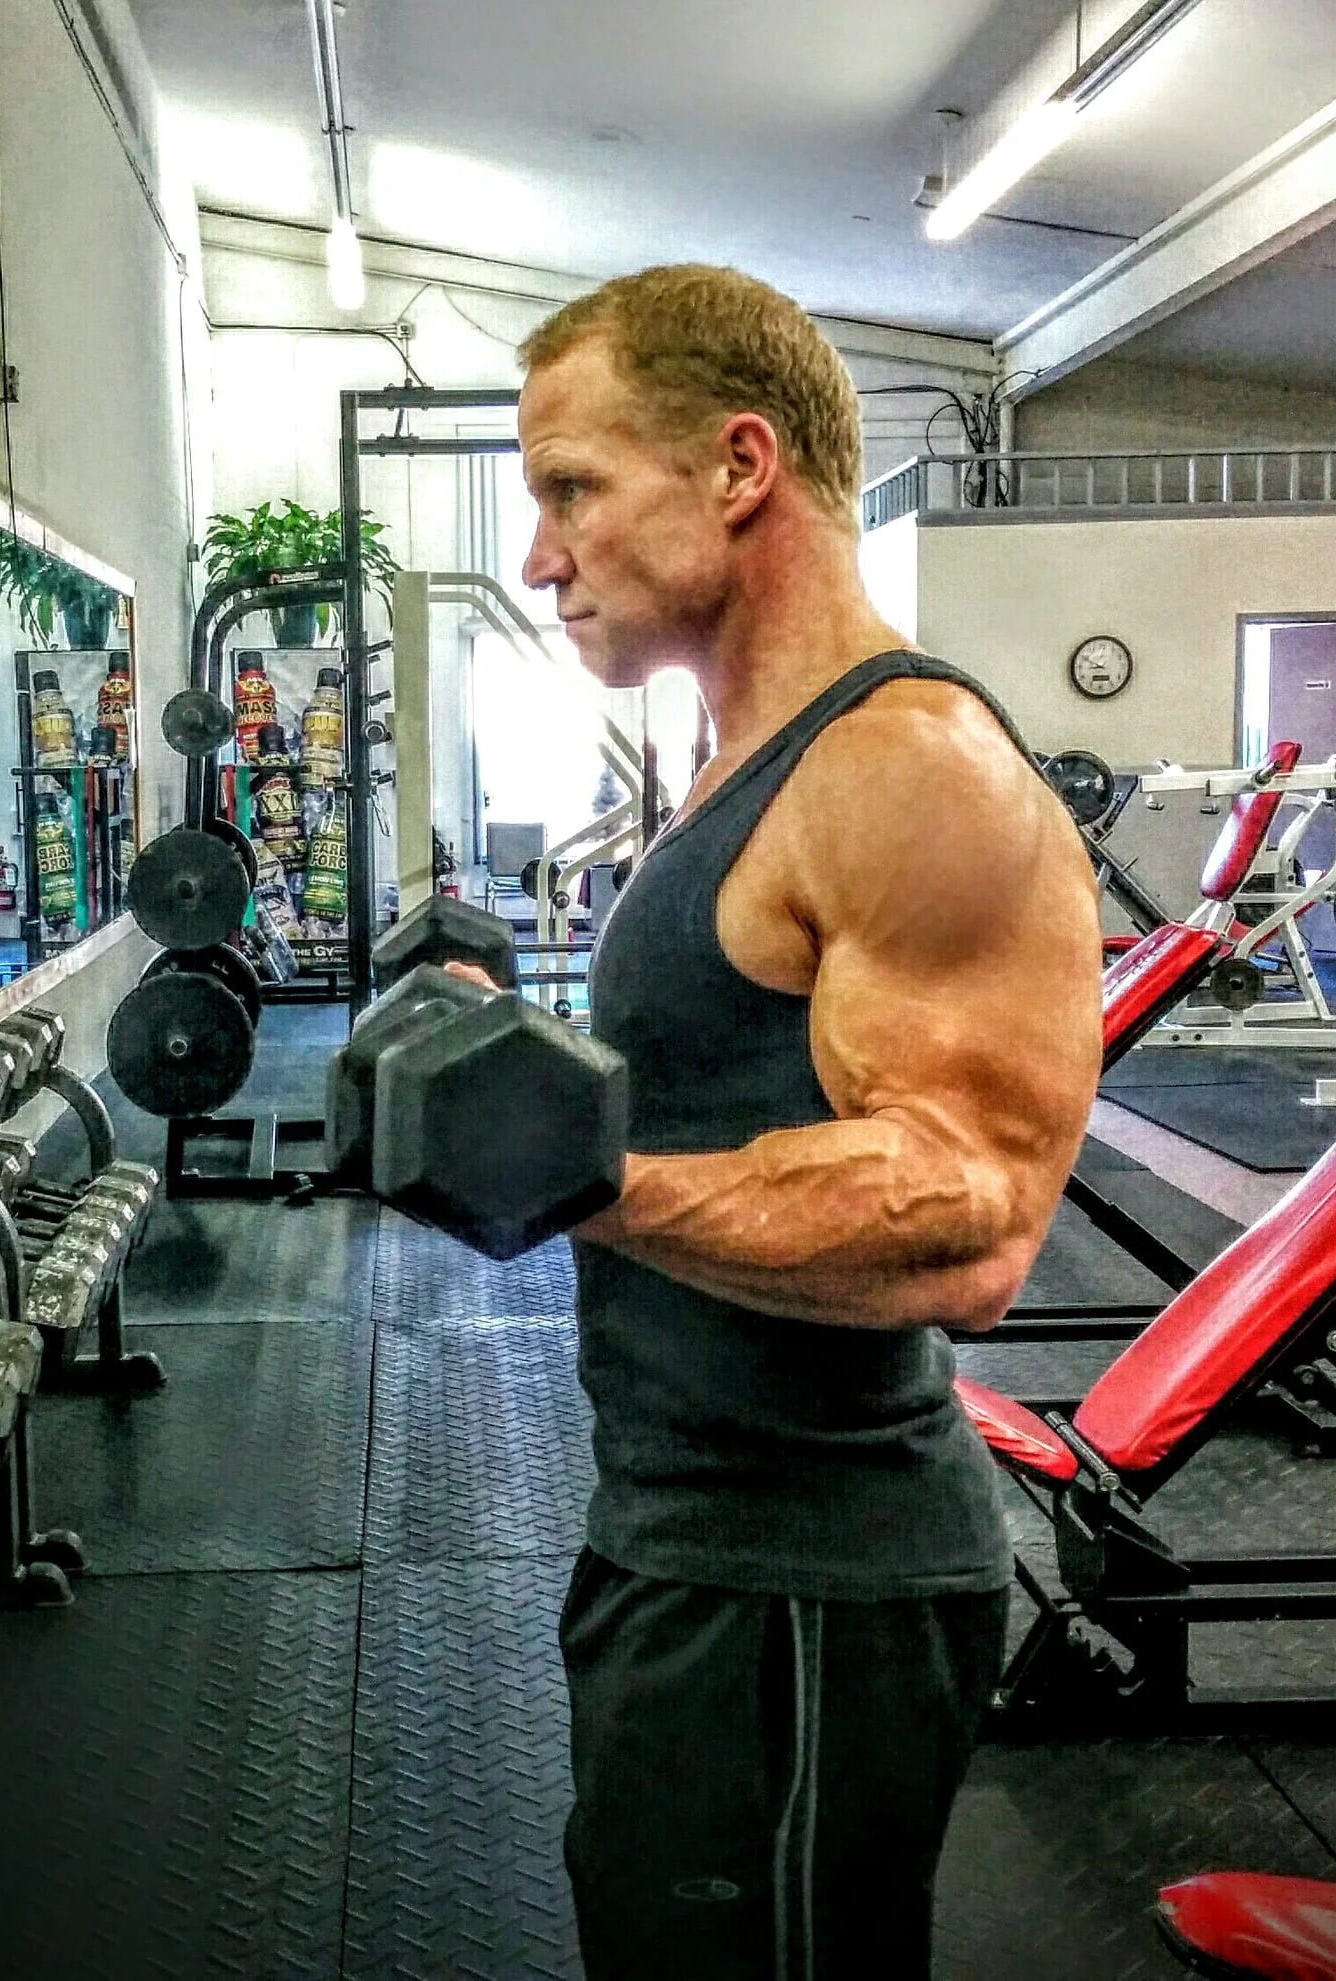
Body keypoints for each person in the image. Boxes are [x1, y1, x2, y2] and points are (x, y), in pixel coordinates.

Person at [502, 265, 1103, 1978]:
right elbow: (741, 1087)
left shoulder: (908, 767)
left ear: (740, 466)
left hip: (803, 1585)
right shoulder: (741, 757)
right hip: (696, 1545)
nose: (544, 556)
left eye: (572, 488)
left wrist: (571, 1170)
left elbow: (972, 1212)